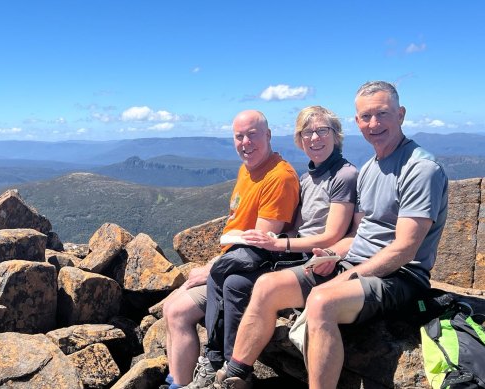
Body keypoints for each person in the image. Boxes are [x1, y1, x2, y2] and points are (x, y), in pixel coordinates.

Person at [215, 81, 449, 389]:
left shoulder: (420, 169)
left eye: (383, 114)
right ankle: (234, 374)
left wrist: (347, 277)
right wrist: (334, 255)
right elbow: (359, 234)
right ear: (357, 122)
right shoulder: (369, 169)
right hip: (353, 263)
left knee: (322, 301)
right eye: (366, 117)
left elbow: (404, 249)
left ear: (401, 115)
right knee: (267, 285)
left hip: (401, 277)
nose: (374, 123)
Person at [195, 106, 358, 389]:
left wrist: (277, 244)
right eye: (307, 132)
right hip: (294, 252)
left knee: (224, 269)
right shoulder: (308, 178)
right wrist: (278, 242)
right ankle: (226, 368)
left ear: (336, 135)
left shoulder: (343, 176)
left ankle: (219, 363)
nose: (315, 138)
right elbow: (297, 226)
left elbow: (332, 235)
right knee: (233, 281)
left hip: (316, 258)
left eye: (322, 131)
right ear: (299, 139)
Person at [161, 110, 300, 389]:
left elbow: (260, 244)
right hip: (231, 261)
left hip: (253, 270)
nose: (245, 143)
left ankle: (201, 375)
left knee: (177, 312)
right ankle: (178, 382)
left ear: (268, 135)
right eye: (239, 136)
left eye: (252, 135)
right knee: (170, 307)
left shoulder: (279, 177)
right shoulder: (246, 169)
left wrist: (212, 268)